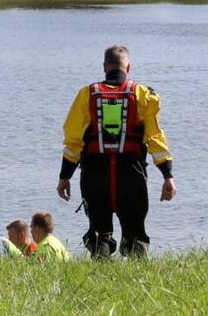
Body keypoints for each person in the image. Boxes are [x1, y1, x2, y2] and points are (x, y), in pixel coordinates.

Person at [57, 44, 177, 259]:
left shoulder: (87, 94)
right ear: (128, 67)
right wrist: (167, 176)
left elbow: (73, 140)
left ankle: (99, 278)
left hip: (95, 174)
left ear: (105, 67)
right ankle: (139, 277)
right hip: (131, 174)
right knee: (135, 231)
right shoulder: (143, 95)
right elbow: (155, 138)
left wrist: (64, 177)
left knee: (99, 231)